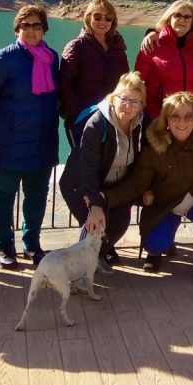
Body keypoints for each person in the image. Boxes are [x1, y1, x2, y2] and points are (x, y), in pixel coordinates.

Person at [95, 92, 193, 287]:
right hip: (166, 204)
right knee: (155, 243)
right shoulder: (155, 147)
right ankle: (156, 251)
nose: (182, 122)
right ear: (166, 120)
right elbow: (135, 184)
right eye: (175, 116)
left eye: (188, 116)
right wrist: (105, 198)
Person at [0, 5, 60, 271]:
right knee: (4, 195)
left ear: (44, 29)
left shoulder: (51, 57)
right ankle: (3, 246)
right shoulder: (4, 58)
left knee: (37, 195)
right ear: (17, 29)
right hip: (10, 140)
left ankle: (32, 244)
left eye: (37, 25)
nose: (32, 30)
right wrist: (1, 128)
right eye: (25, 25)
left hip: (42, 139)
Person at [60, 72, 145, 268]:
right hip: (81, 183)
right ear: (114, 97)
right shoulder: (97, 124)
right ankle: (81, 268)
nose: (128, 106)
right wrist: (95, 205)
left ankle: (97, 255)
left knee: (120, 223)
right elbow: (88, 168)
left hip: (113, 185)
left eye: (135, 101)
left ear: (141, 105)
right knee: (95, 225)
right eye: (124, 99)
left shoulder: (140, 124)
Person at [59, 0, 129, 142]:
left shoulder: (118, 49)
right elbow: (63, 85)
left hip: (113, 117)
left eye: (108, 17)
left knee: (109, 163)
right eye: (97, 16)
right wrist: (78, 112)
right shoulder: (76, 46)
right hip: (83, 118)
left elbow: (126, 83)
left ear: (113, 21)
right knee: (85, 163)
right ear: (88, 18)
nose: (102, 21)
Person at [135, 0, 193, 119]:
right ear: (169, 18)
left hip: (187, 118)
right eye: (177, 15)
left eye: (187, 17)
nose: (182, 20)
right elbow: (137, 80)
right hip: (158, 116)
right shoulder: (153, 43)